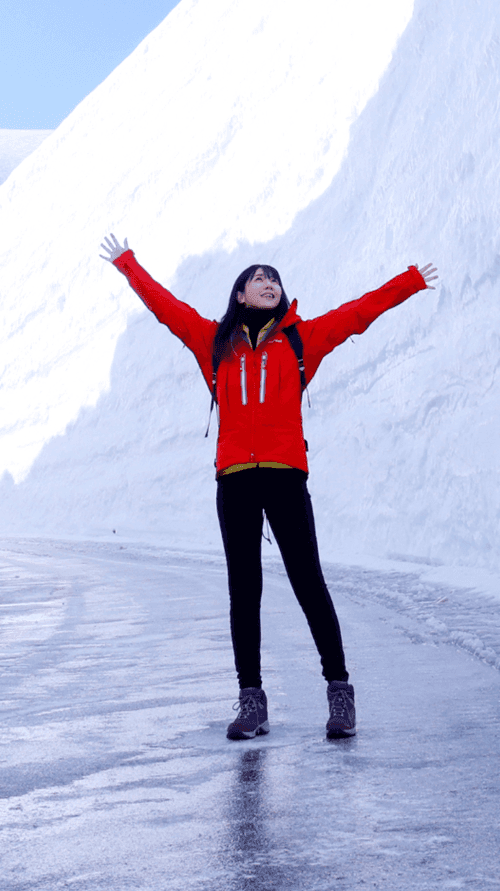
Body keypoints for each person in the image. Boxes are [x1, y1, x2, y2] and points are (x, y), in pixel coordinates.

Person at [99, 234, 437, 739]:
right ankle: (251, 701)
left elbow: (357, 314)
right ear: (240, 295)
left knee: (308, 583)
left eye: (275, 278)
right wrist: (128, 265)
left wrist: (409, 282)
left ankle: (340, 693)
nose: (269, 283)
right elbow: (167, 309)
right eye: (259, 278)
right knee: (245, 590)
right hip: (235, 479)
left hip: (284, 476)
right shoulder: (214, 342)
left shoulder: (301, 340)